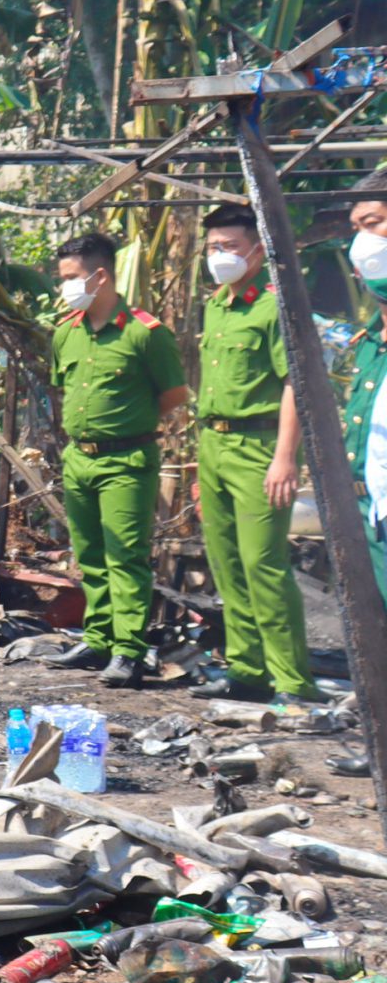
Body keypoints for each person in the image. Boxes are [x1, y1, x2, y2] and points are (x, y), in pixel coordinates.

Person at [47, 230, 188, 688]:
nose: (65, 287)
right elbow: (63, 389)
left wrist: (132, 422)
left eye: (72, 277)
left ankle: (128, 649)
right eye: (62, 278)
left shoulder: (145, 333)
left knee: (126, 555)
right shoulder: (66, 333)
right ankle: (99, 639)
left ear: (101, 276)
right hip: (78, 459)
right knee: (89, 554)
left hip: (126, 459)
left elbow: (174, 395)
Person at [192, 205, 314, 703]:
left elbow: (295, 384)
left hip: (259, 446)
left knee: (263, 562)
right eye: (213, 247)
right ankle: (248, 670)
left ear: (258, 251)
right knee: (226, 563)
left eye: (231, 246)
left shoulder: (273, 305)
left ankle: (293, 681)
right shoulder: (217, 305)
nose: (220, 255)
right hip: (213, 443)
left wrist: (285, 457)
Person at [343, 196, 387, 600]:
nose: (362, 240)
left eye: (372, 224)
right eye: (356, 228)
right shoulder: (370, 340)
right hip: (368, 510)